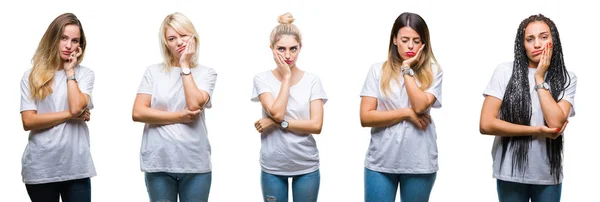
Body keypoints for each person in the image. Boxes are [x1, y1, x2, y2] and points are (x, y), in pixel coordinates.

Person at [479, 14, 576, 202]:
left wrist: (539, 78)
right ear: (522, 44)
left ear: (554, 40)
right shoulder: (504, 71)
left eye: (544, 37)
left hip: (548, 174)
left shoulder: (566, 78)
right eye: (530, 39)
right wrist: (536, 130)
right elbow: (486, 124)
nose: (537, 44)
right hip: (510, 173)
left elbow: (556, 122)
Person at [132, 12, 217, 202]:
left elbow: (194, 104)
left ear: (193, 37)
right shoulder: (153, 72)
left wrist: (184, 64)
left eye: (183, 35)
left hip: (195, 163)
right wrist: (180, 116)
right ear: (166, 44)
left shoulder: (207, 73)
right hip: (159, 161)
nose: (179, 42)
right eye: (172, 38)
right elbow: (138, 112)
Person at [359, 12, 443, 202]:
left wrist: (406, 69)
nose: (411, 46)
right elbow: (366, 117)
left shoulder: (434, 71)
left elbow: (420, 106)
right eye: (405, 40)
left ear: (424, 43)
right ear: (395, 40)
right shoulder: (377, 70)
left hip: (419, 161)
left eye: (416, 40)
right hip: (381, 161)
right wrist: (406, 113)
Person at [251, 12, 327, 202]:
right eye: (281, 49)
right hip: (273, 166)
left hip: (306, 165)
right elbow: (276, 112)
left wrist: (277, 123)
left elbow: (316, 126)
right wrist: (286, 77)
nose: (287, 55)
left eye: (293, 49)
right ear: (271, 48)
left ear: (300, 47)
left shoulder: (312, 81)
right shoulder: (262, 79)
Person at [20, 13, 95, 202]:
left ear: (80, 45)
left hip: (76, 167)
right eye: (64, 38)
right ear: (53, 38)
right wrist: (71, 115)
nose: (69, 45)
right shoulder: (32, 76)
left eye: (75, 40)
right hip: (41, 169)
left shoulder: (85, 75)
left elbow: (77, 106)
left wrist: (70, 72)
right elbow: (29, 121)